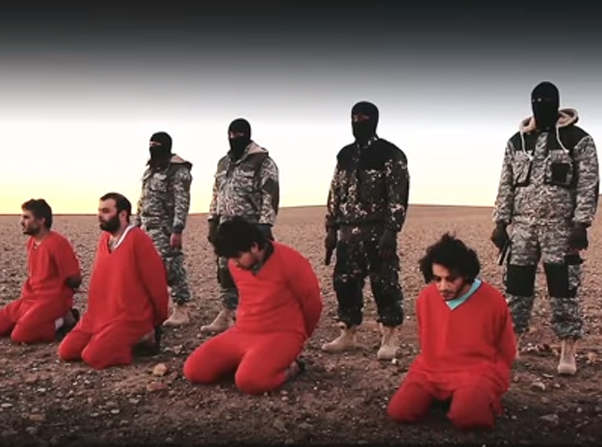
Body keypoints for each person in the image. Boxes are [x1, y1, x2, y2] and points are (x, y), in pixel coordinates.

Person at [491, 81, 599, 375]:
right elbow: (506, 184)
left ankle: (567, 350)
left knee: (564, 289)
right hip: (523, 228)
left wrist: (581, 223)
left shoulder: (578, 139)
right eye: (536, 101)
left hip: (560, 228)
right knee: (516, 287)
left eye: (547, 101)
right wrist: (500, 222)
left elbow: (588, 184)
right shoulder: (517, 142)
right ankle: (511, 345)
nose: (541, 105)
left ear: (557, 103)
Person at [387, 233, 516, 431]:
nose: (443, 287)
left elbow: (506, 349)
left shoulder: (492, 300)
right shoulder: (426, 298)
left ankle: (470, 399)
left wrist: (493, 380)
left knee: (469, 418)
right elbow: (426, 344)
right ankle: (446, 397)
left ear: (466, 274)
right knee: (400, 411)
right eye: (437, 279)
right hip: (431, 370)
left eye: (451, 279)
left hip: (477, 371)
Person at [183, 217, 322, 395]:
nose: (234, 262)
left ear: (254, 246)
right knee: (195, 370)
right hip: (243, 332)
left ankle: (292, 368)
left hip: (281, 334)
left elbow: (312, 304)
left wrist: (301, 336)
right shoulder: (237, 265)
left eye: (237, 256)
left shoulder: (291, 261)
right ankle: (249, 361)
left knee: (249, 381)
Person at [322, 101, 410, 360]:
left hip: (377, 231)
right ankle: (348, 333)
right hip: (347, 232)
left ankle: (390, 335)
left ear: (374, 120)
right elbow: (335, 191)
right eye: (354, 118)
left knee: (384, 283)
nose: (357, 122)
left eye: (362, 118)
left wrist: (391, 231)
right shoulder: (345, 155)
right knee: (344, 282)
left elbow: (398, 194)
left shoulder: (390, 153)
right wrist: (331, 228)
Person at [58, 192, 169, 370]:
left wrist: (157, 319)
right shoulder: (104, 239)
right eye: (99, 211)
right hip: (99, 315)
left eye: (106, 211)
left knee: (93, 356)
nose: (99, 215)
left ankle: (142, 338)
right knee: (67, 351)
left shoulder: (137, 239)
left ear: (123, 214)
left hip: (130, 318)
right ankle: (109, 338)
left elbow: (156, 282)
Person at [202, 118, 280, 334]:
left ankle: (259, 315)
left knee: (254, 271)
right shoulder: (223, 163)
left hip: (250, 226)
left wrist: (265, 224)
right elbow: (217, 193)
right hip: (226, 225)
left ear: (247, 134)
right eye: (231, 134)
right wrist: (212, 220)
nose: (233, 138)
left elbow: (270, 193)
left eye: (238, 134)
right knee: (225, 268)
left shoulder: (262, 161)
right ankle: (228, 312)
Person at [0, 199, 81, 343]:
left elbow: (75, 278)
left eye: (26, 217)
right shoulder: (32, 242)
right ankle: (34, 320)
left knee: (21, 335)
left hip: (52, 301)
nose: (21, 222)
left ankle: (63, 319)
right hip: (31, 298)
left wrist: (60, 296)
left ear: (41, 220)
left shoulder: (57, 243)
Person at [134, 131, 193, 327]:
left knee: (171, 266)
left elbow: (181, 201)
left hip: (165, 227)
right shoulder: (150, 171)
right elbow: (142, 200)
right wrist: (135, 225)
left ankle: (181, 308)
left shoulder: (177, 171)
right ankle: (156, 306)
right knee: (147, 268)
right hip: (146, 227)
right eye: (151, 144)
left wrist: (177, 229)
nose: (153, 148)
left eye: (157, 145)